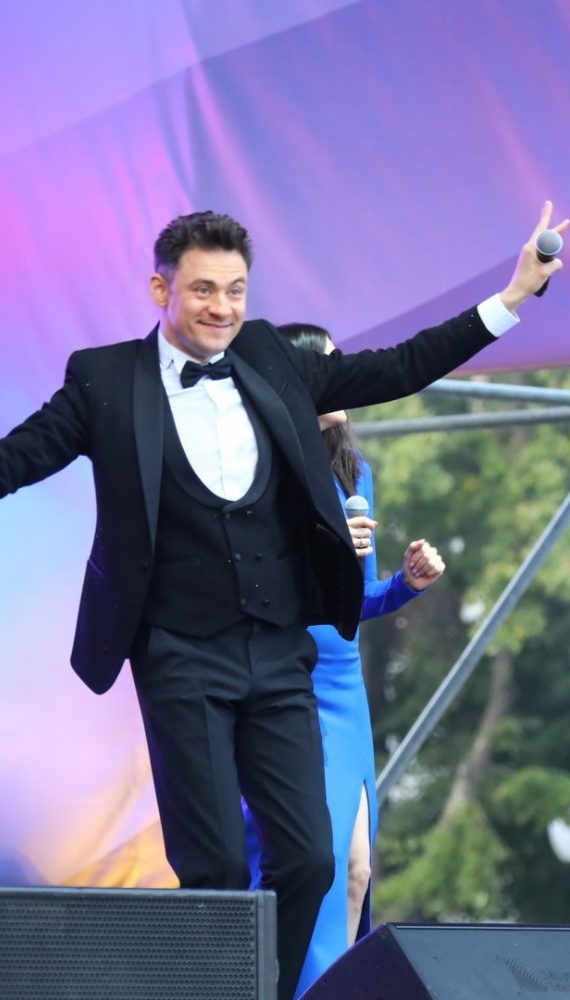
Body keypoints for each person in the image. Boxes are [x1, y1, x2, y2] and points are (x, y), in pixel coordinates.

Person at [0, 204, 566, 1000]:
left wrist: (512, 296)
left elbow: (401, 366)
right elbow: (13, 459)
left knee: (311, 860)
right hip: (181, 656)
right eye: (202, 290)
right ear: (160, 289)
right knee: (217, 868)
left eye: (236, 290)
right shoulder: (105, 380)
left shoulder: (271, 357)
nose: (222, 308)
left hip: (279, 652)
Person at [241, 322, 444, 995]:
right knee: (319, 869)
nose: (343, 378)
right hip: (284, 683)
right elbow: (252, 590)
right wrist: (316, 553)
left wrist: (406, 585)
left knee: (358, 873)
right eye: (327, 367)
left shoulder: (355, 473)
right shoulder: (258, 469)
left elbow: (354, 602)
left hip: (344, 690)